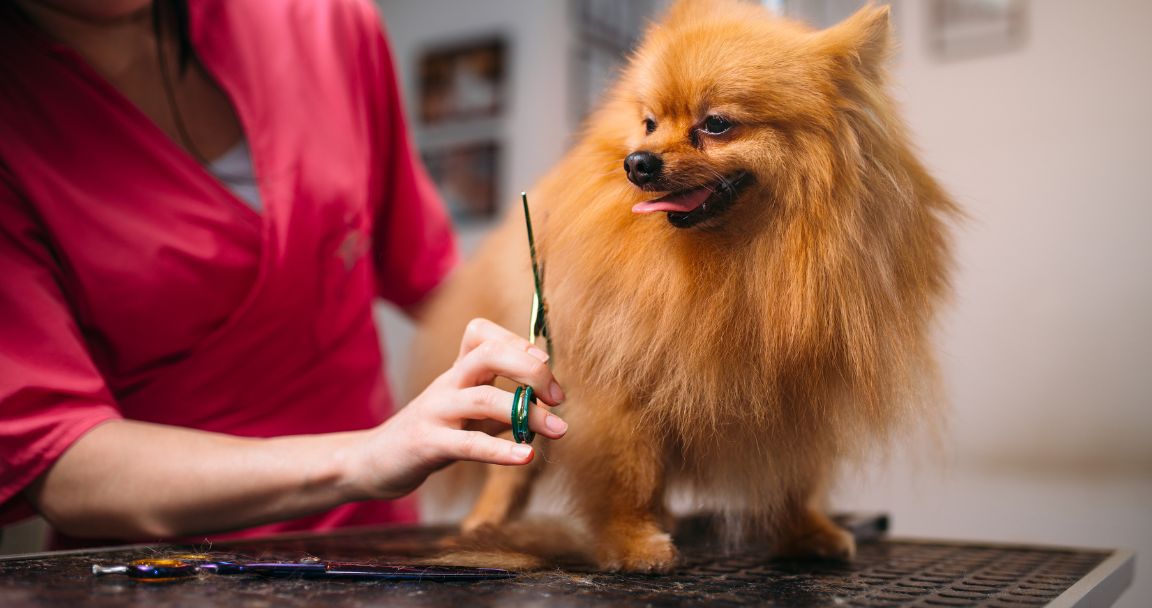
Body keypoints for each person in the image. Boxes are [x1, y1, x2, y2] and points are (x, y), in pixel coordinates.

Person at [0, 0, 567, 548]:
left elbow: (438, 282)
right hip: (163, 568)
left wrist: (574, 329)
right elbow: (59, 456)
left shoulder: (325, 20)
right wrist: (368, 456)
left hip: (377, 542)